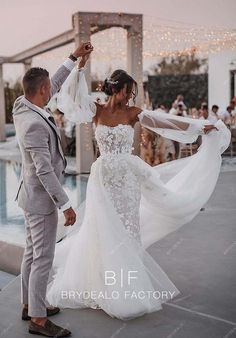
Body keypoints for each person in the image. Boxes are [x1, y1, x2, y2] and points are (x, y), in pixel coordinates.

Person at [46, 54, 230, 320]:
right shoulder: (95, 109)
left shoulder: (132, 113)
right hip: (103, 180)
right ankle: (103, 285)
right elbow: (71, 98)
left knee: (127, 232)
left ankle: (128, 288)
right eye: (129, 91)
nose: (132, 97)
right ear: (118, 88)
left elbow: (165, 122)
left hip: (127, 181)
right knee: (102, 231)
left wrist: (199, 128)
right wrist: (80, 64)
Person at [13, 42, 93, 337]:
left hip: (29, 197)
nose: (53, 90)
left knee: (32, 253)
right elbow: (44, 171)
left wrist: (74, 57)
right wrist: (66, 204)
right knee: (43, 258)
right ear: (43, 91)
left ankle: (28, 305)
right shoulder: (33, 123)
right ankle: (38, 319)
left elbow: (54, 81)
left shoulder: (23, 104)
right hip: (41, 200)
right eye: (50, 88)